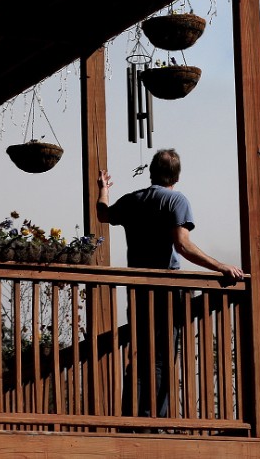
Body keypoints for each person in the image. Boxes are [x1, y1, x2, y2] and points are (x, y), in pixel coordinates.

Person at [96, 148, 244, 420]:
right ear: (176, 177)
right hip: (165, 290)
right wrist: (221, 266)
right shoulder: (176, 200)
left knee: (140, 356)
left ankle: (133, 417)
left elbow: (103, 214)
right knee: (163, 357)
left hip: (138, 291)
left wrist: (104, 189)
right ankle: (153, 419)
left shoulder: (133, 200)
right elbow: (183, 245)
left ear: (151, 171)